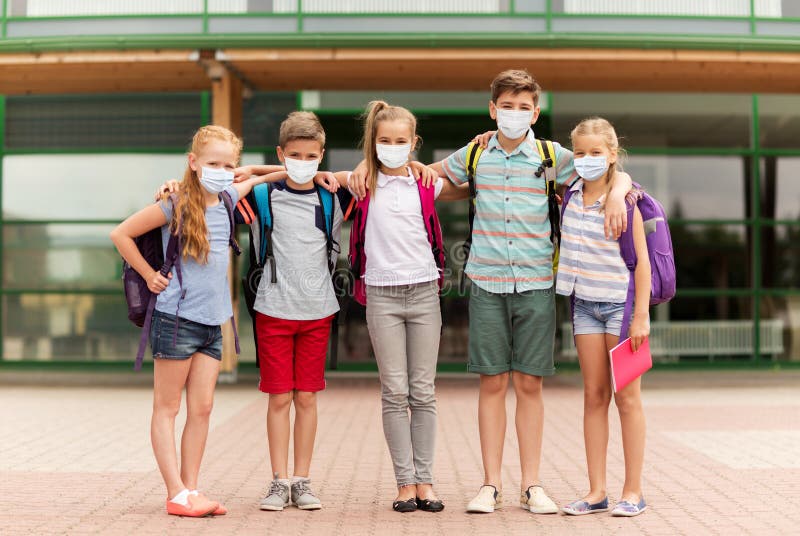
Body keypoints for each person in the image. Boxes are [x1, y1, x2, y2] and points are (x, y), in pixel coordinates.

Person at [426, 69, 633, 514]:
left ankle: (532, 485)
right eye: (507, 106)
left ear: (536, 113)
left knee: (529, 384)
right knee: (492, 383)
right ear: (492, 109)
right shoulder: (476, 153)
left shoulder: (551, 154)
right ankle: (490, 485)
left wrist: (618, 192)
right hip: (485, 282)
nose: (515, 114)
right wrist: (373, 164)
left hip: (538, 283)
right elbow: (431, 177)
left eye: (524, 107)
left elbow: (609, 166)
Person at [111, 125, 276, 517]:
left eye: (227, 164)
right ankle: (175, 492)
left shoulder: (229, 196)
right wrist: (150, 275)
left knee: (201, 409)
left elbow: (273, 174)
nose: (220, 170)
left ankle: (191, 489)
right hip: (175, 319)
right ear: (193, 163)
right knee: (167, 408)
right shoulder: (175, 203)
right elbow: (121, 234)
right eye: (212, 163)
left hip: (213, 323)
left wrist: (251, 169)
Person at [344, 101, 469, 513]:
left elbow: (477, 178)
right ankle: (404, 484)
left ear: (414, 143)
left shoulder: (427, 182)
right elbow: (303, 174)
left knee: (423, 392)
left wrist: (481, 140)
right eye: (384, 141)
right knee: (394, 392)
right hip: (381, 295)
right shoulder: (361, 183)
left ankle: (426, 481)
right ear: (373, 143)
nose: (392, 147)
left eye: (401, 141)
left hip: (423, 296)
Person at [231, 111, 352, 512]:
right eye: (294, 154)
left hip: (318, 311)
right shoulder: (261, 196)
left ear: (322, 155)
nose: (304, 161)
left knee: (307, 398)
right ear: (281, 153)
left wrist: (320, 174)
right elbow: (231, 180)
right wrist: (265, 172)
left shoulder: (332, 194)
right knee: (279, 398)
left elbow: (370, 172)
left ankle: (302, 480)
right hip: (273, 310)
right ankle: (278, 481)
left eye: (312, 156)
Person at [557, 117, 650, 517]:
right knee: (594, 397)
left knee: (626, 399)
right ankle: (597, 491)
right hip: (584, 309)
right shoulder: (569, 194)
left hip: (621, 309)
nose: (587, 159)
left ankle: (633, 492)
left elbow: (642, 263)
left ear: (612, 154)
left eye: (596, 152)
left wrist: (641, 315)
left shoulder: (627, 200)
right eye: (579, 152)